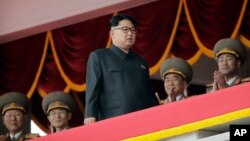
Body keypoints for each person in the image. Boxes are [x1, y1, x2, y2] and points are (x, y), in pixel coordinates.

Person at [84, 14, 158, 125]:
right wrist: (90, 114)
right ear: (112, 33)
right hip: (114, 119)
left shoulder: (141, 62)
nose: (130, 33)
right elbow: (93, 89)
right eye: (125, 29)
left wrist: (158, 112)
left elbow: (149, 93)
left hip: (143, 120)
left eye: (133, 30)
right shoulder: (100, 57)